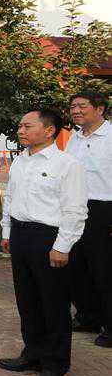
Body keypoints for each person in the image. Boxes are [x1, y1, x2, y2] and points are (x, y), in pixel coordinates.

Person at [0, 109, 87, 376]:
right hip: (22, 235)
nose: (21, 130)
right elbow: (10, 198)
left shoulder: (67, 164)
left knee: (54, 303)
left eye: (27, 126)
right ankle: (32, 353)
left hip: (49, 238)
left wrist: (62, 246)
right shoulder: (20, 161)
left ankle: (54, 364)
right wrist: (7, 232)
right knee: (27, 299)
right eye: (20, 125)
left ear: (49, 130)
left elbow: (75, 209)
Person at [66, 91, 112, 347]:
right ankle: (88, 316)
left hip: (103, 210)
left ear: (100, 109)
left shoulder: (110, 137)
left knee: (104, 270)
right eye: (73, 107)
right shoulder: (74, 138)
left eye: (82, 106)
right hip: (75, 208)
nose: (76, 111)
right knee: (77, 267)